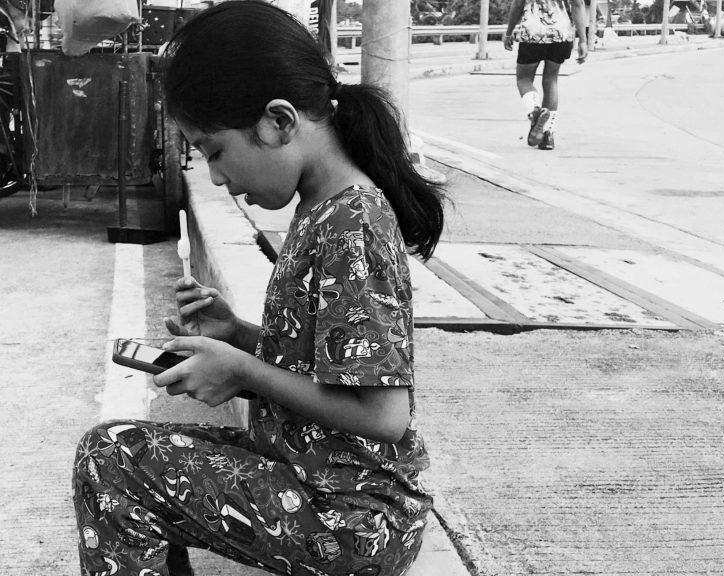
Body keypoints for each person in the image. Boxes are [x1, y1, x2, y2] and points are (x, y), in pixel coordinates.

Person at [71, 2, 446, 575]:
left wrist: (243, 372)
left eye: (215, 151)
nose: (217, 177)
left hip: (352, 517)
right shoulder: (322, 206)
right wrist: (238, 335)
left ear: (279, 121)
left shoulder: (353, 223)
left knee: (113, 462)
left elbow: (384, 414)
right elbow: (329, 365)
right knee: (120, 450)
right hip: (314, 478)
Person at [503, 0, 588, 150]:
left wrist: (509, 33)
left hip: (533, 32)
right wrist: (583, 40)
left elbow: (517, 5)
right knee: (551, 80)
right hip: (562, 33)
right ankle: (548, 136)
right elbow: (578, 4)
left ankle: (535, 111)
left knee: (524, 79)